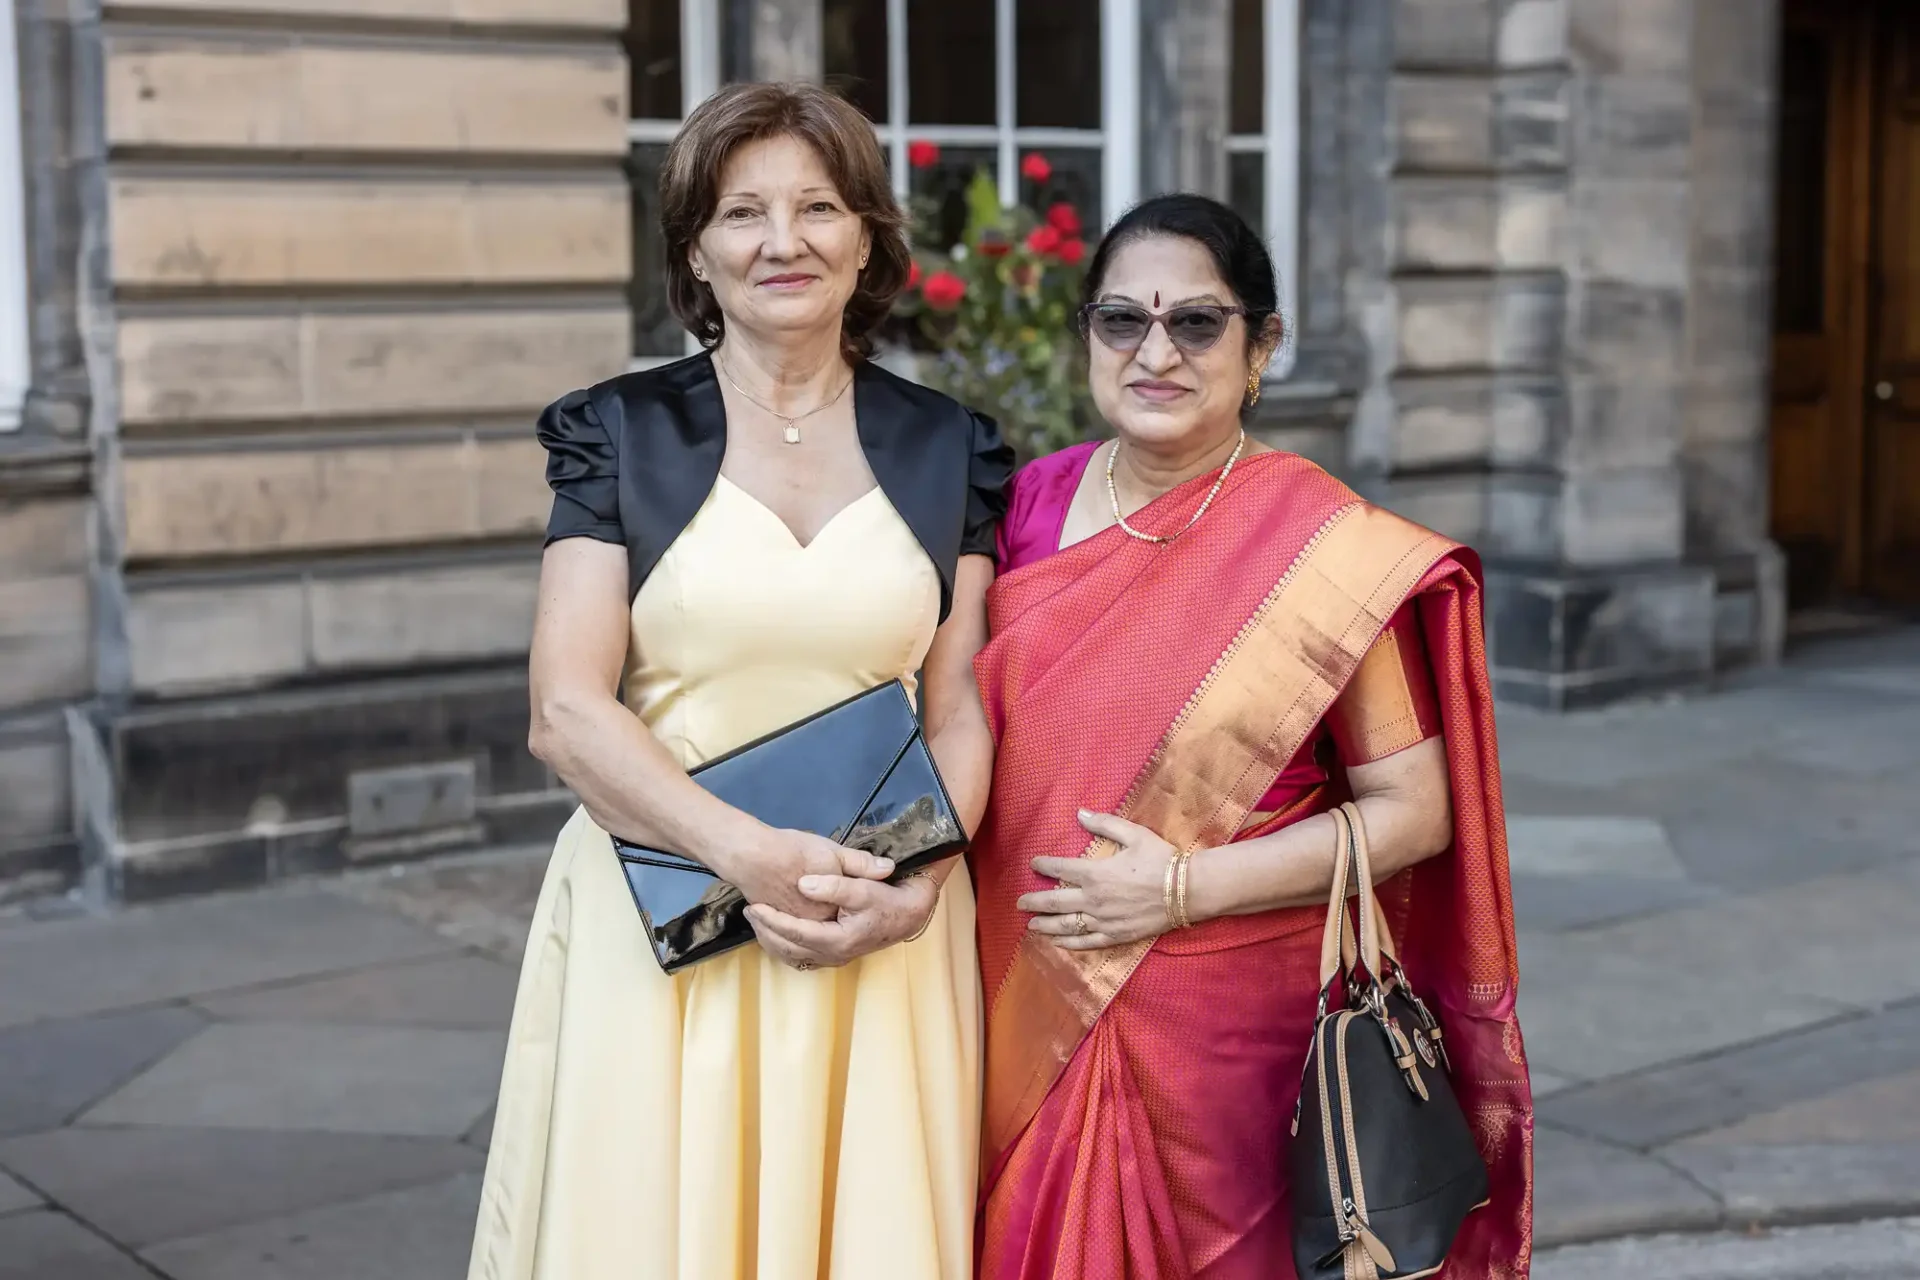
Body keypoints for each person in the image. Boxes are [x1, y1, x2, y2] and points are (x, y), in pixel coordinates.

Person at [467, 82, 1011, 1280]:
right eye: (742, 212)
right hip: (666, 904)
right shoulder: (617, 433)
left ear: (866, 236)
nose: (784, 241)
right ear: (696, 253)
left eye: (819, 206)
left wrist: (918, 886)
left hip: (887, 920)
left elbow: (960, 700)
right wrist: (746, 854)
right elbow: (566, 707)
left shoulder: (952, 445)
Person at [969, 194, 1533, 1279]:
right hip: (1020, 994)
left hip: (1226, 1039)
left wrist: (1178, 888)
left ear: (1261, 344)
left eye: (1197, 323)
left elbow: (1414, 809)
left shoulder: (1321, 549)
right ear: (1087, 334)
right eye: (1123, 320)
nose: (1156, 351)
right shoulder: (1026, 509)